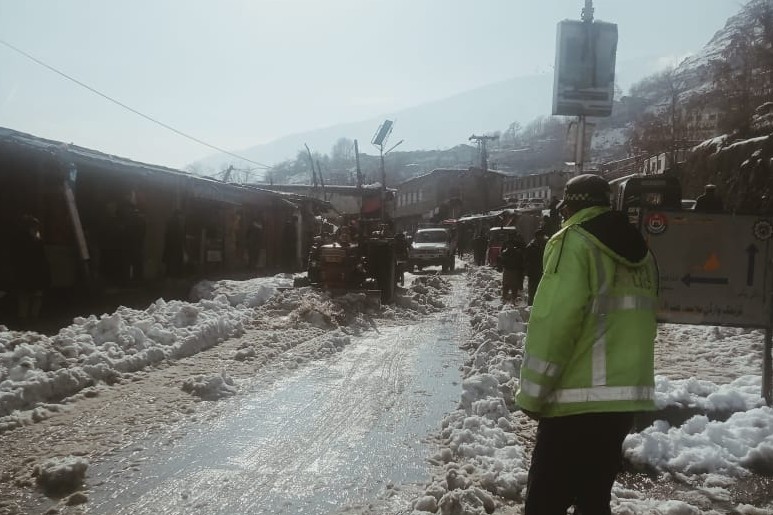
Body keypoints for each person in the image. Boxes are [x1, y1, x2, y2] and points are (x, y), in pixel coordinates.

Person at [515, 174, 658, 515]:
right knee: (594, 499)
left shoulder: (572, 241)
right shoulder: (642, 252)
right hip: (623, 402)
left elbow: (554, 323)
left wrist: (533, 394)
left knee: (544, 503)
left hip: (576, 403)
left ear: (571, 206)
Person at [11, 215, 51, 326]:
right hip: (29, 271)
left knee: (31, 296)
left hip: (32, 272)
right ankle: (27, 318)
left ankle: (29, 318)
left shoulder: (34, 240)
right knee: (28, 296)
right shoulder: (29, 240)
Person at [524, 228, 547, 306]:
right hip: (533, 273)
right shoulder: (530, 247)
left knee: (543, 292)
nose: (542, 238)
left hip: (544, 272)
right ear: (537, 237)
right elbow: (526, 260)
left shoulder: (546, 245)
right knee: (532, 292)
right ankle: (531, 307)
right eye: (540, 236)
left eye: (542, 236)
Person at [499, 235, 525, 302]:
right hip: (511, 271)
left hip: (511, 271)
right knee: (510, 286)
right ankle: (510, 298)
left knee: (509, 286)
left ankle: (508, 298)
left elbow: (501, 262)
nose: (509, 245)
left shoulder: (505, 253)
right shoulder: (516, 253)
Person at [163, 210, 186, 278]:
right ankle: (174, 275)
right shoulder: (176, 223)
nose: (182, 218)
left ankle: (169, 274)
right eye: (181, 216)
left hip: (170, 245)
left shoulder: (170, 222)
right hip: (175, 245)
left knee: (170, 261)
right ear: (178, 215)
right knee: (174, 261)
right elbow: (178, 235)